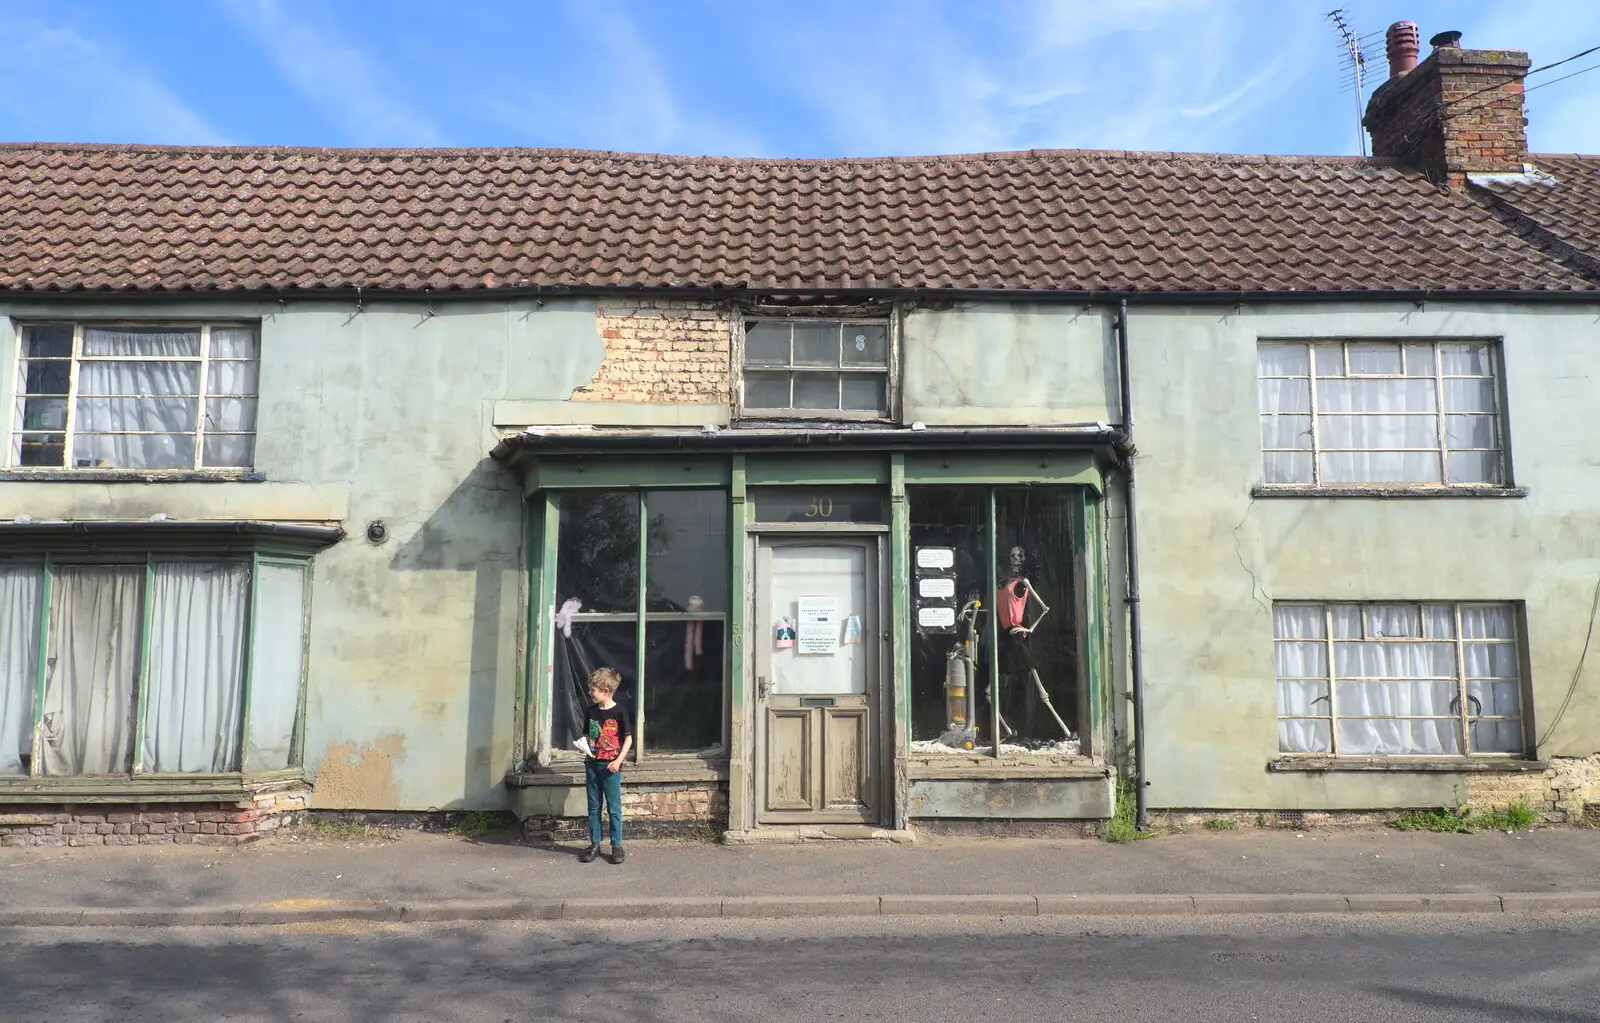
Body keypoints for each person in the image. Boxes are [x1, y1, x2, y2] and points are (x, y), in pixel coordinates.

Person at [580, 667, 632, 864]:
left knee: (614, 807)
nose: (590, 693)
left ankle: (617, 845)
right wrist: (584, 747)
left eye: (593, 690)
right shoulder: (591, 712)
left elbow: (628, 739)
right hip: (592, 765)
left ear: (606, 691)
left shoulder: (620, 711)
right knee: (594, 807)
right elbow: (587, 735)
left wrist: (618, 761)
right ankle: (594, 843)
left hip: (611, 767)